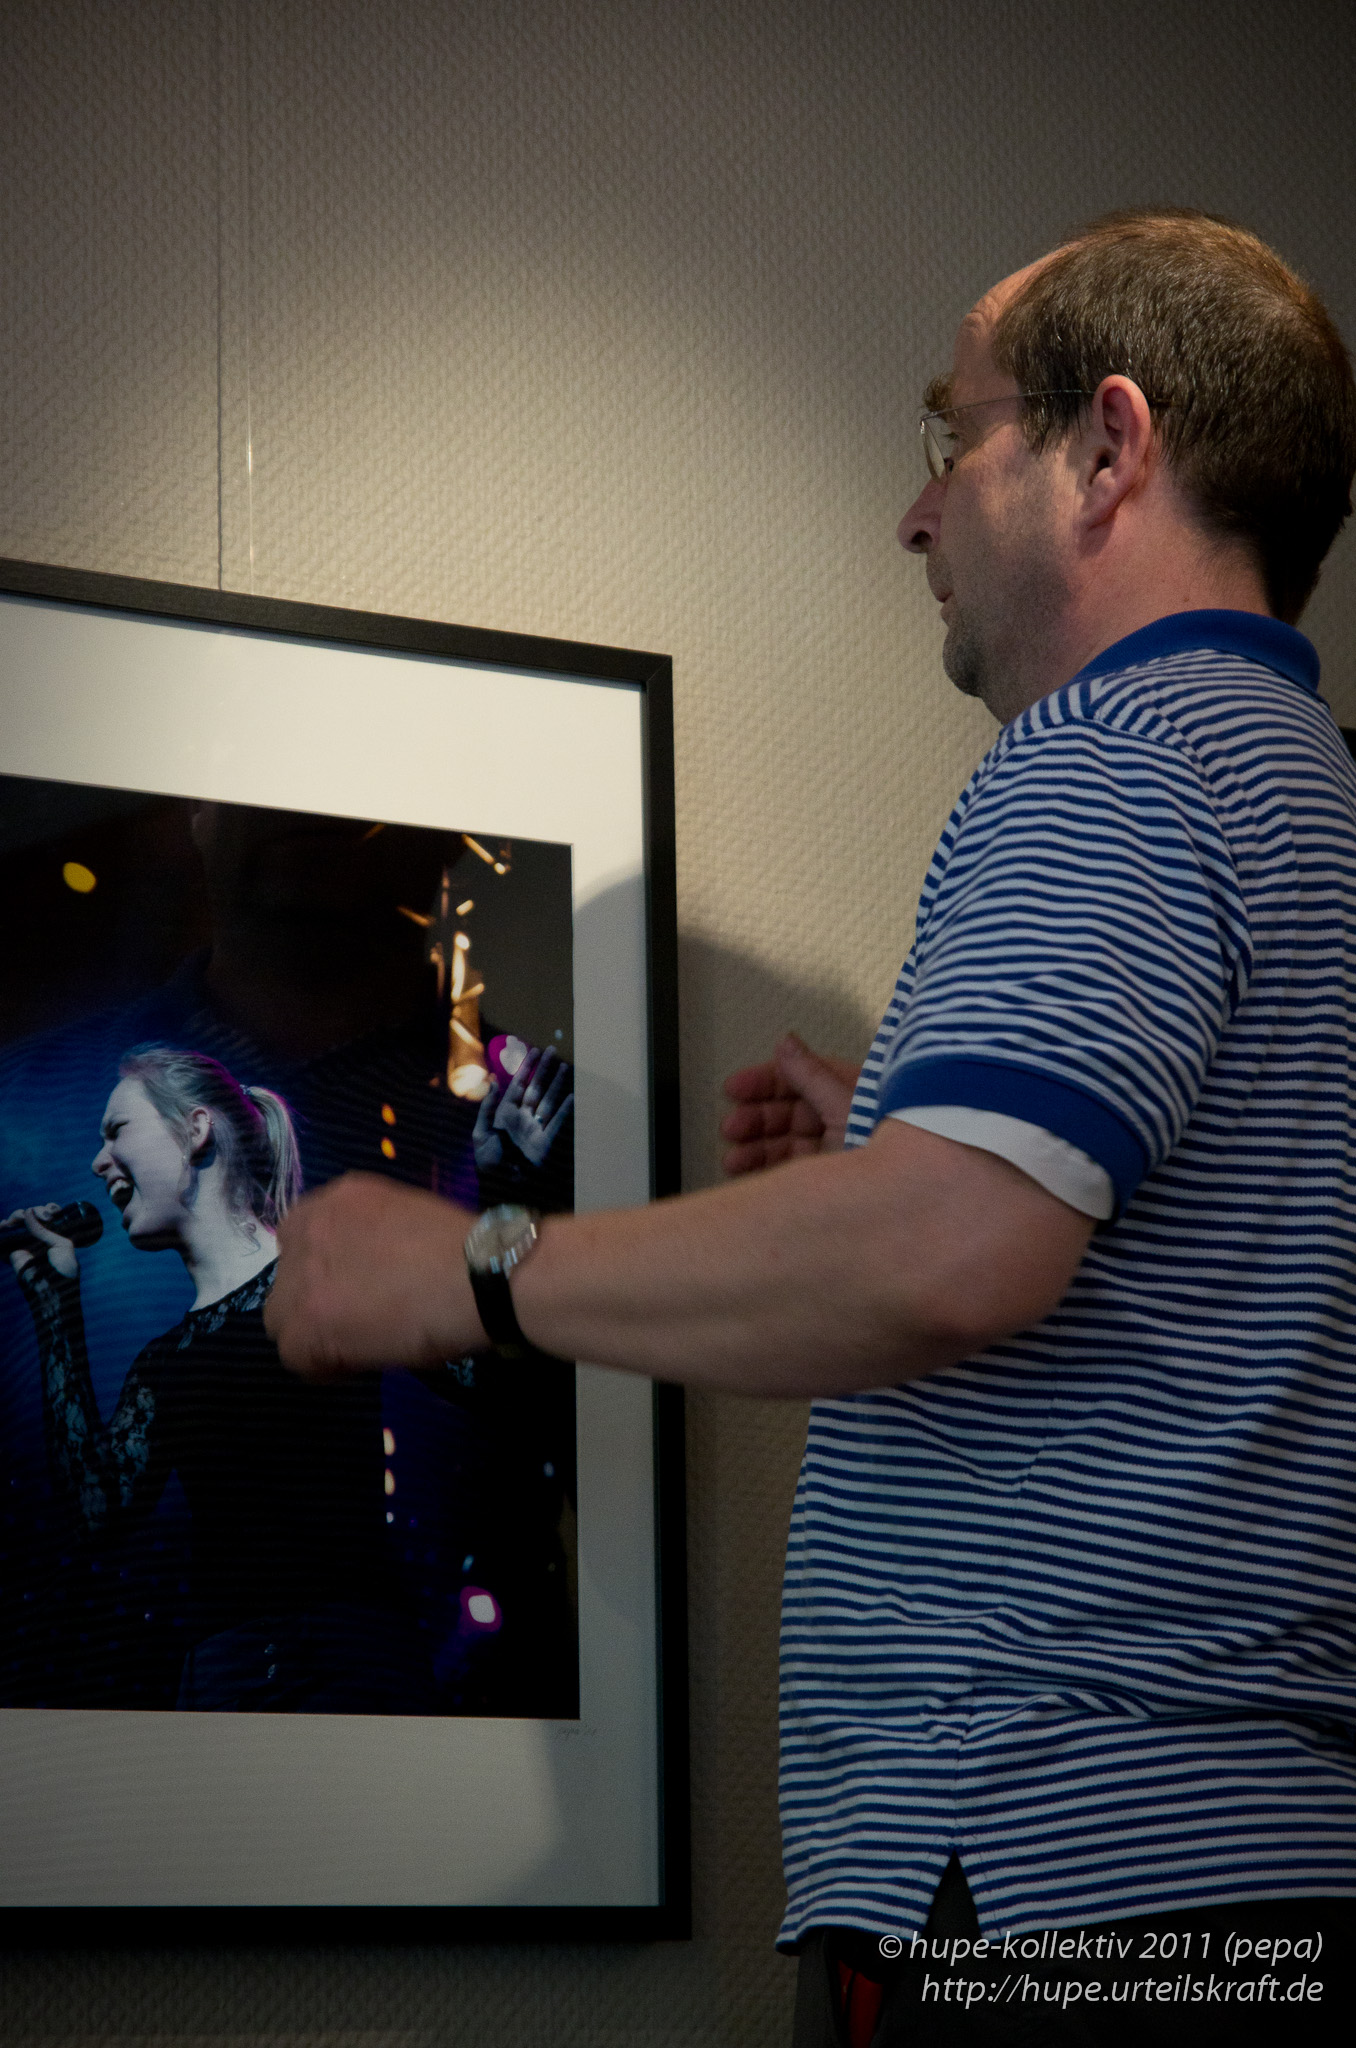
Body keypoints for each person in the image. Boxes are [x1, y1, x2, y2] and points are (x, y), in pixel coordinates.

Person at [264, 209, 1356, 2041]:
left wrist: (468, 1269)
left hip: (1050, 1879)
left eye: (956, 433)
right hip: (1247, 1877)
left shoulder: (1112, 761)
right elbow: (1196, 1279)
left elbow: (949, 1251)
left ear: (1109, 448)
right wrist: (919, 1133)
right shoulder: (1301, 791)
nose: (916, 516)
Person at [4, 1043, 435, 1712]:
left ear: (196, 1129)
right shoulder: (165, 1362)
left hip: (353, 1664)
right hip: (225, 1675)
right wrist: (53, 1297)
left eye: (117, 1131)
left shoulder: (333, 1279)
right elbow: (99, 1510)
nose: (98, 1161)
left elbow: (490, 1377)